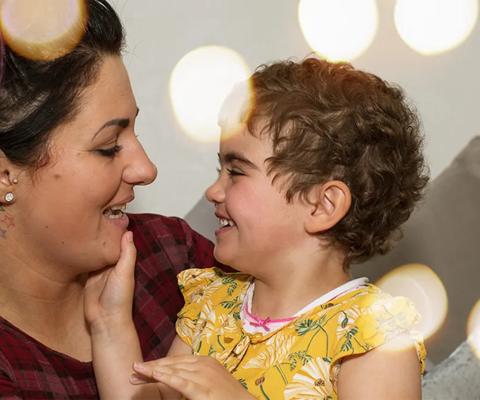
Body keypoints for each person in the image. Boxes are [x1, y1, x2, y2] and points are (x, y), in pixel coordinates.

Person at [89, 58, 429, 399]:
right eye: (219, 170)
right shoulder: (212, 306)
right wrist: (109, 323)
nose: (213, 191)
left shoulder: (372, 338)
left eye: (236, 172)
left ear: (323, 205)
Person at [0, 1, 216, 398]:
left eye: (135, 130)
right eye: (108, 146)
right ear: (4, 174)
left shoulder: (172, 260)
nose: (146, 169)